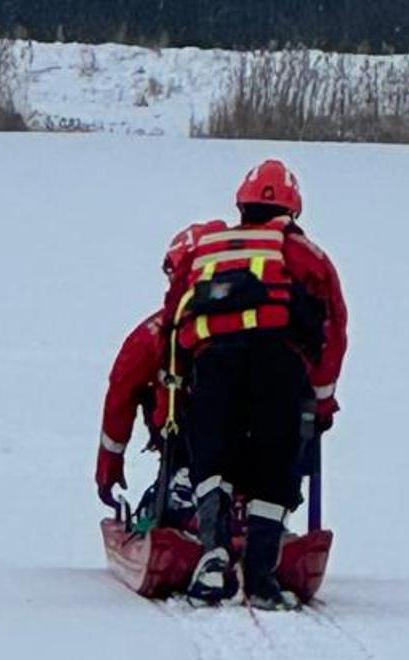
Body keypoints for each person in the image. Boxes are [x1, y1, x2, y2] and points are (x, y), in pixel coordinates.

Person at [161, 160, 348, 610]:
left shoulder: (205, 249)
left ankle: (214, 551)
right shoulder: (305, 254)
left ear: (241, 205)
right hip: (278, 366)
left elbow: (172, 321)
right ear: (293, 210)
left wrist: (179, 391)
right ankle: (261, 575)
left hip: (211, 366)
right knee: (274, 464)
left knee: (213, 461)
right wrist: (321, 403)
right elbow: (333, 330)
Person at [96, 222, 222, 528]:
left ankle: (180, 492)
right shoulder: (266, 329)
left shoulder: (151, 334)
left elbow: (120, 397)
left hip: (182, 445)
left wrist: (109, 465)